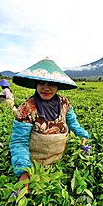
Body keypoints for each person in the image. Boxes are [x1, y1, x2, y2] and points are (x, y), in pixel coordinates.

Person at [9, 57, 90, 195]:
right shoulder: (27, 108)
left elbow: (73, 124)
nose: (46, 88)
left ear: (58, 86)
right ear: (36, 84)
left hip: (59, 163)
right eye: (41, 83)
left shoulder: (65, 103)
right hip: (35, 167)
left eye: (51, 84)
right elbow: (19, 142)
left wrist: (83, 136)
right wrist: (24, 173)